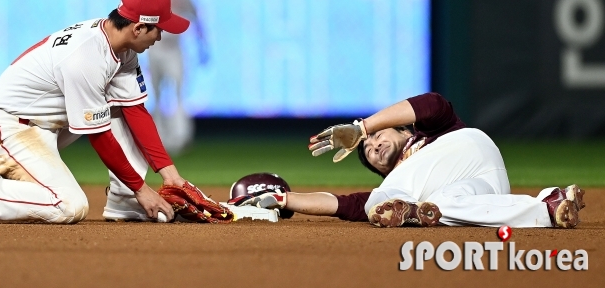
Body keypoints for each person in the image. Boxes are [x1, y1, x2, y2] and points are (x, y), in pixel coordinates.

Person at [0, 0, 219, 224]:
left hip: (47, 127)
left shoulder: (121, 46)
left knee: (120, 107)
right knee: (69, 206)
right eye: (158, 29)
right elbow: (97, 134)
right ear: (139, 28)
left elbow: (135, 112)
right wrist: (143, 188)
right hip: (10, 130)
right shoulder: (86, 57)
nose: (161, 36)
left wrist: (172, 176)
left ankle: (124, 200)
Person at [231, 92, 585, 228]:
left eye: (378, 139)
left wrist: (362, 128)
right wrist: (283, 199)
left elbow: (433, 104)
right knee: (436, 206)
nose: (372, 147)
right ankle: (548, 206)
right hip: (480, 189)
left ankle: (409, 213)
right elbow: (339, 203)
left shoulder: (434, 132)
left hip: (465, 150)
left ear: (402, 130)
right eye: (368, 152)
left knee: (382, 203)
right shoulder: (394, 184)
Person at [148, 0, 208, 155]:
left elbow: (198, 20)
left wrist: (203, 47)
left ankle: (180, 138)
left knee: (178, 95)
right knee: (154, 95)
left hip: (175, 50)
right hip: (153, 48)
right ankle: (158, 140)